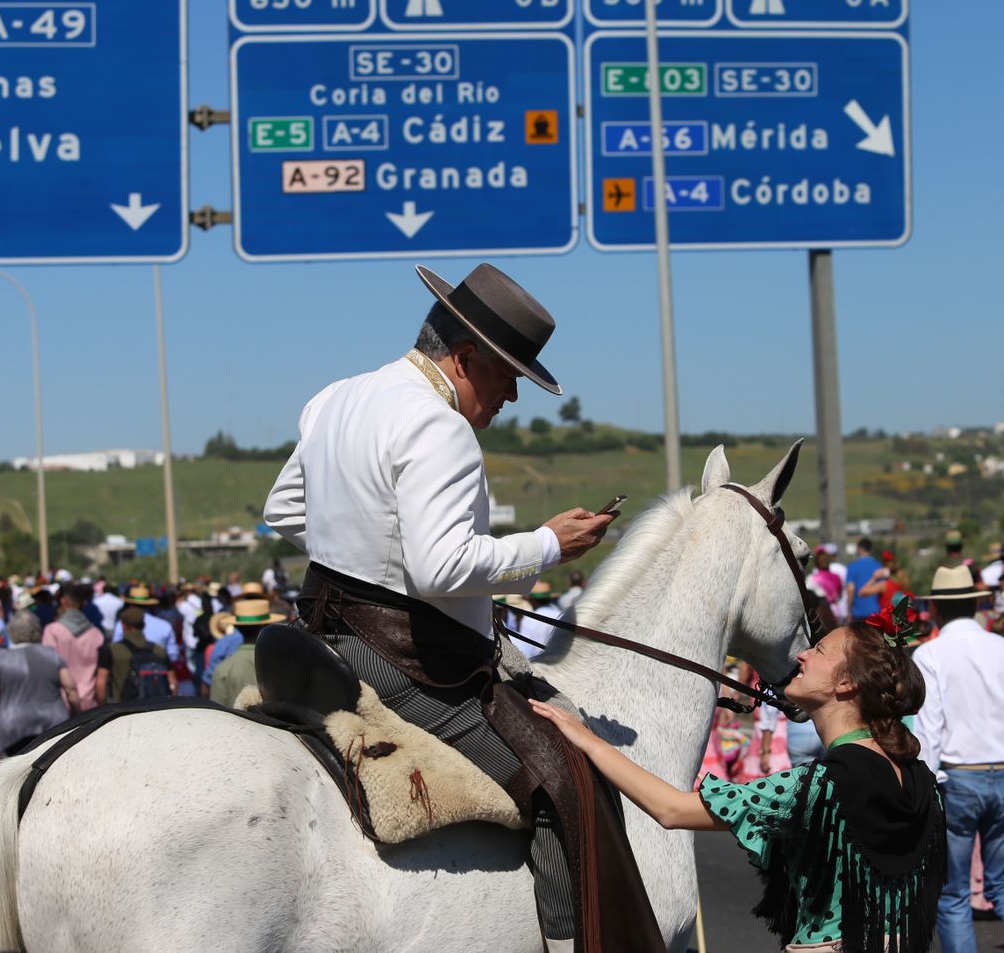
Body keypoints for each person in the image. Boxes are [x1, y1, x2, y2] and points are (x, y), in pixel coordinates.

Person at [262, 262, 616, 948]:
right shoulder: (440, 426)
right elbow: (441, 566)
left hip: (321, 627)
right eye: (510, 373)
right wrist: (547, 544)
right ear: (466, 357)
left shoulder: (336, 396)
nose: (513, 394)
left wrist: (366, 551)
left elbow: (284, 509)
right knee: (562, 777)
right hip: (402, 656)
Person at [532, 604, 946, 953]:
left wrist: (589, 741)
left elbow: (672, 809)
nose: (802, 655)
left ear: (846, 683)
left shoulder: (818, 786)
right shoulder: (922, 778)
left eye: (819, 650)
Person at [912, 564, 1004, 953]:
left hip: (959, 778)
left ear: (936, 610)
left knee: (954, 893)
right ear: (975, 606)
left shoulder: (931, 653)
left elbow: (930, 727)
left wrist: (928, 782)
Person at [0, 612, 77, 757]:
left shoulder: (2, 659)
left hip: (13, 726)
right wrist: (75, 714)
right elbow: (71, 690)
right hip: (53, 723)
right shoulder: (52, 655)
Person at [207, 596, 286, 708]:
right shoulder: (281, 663)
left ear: (237, 626)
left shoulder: (222, 668)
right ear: (266, 625)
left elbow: (216, 715)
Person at [42, 583, 104, 714]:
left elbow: (47, 668)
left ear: (63, 601)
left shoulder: (52, 631)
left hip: (60, 703)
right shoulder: (96, 633)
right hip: (90, 703)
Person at [96, 604, 176, 704]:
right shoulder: (159, 650)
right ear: (143, 626)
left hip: (121, 710)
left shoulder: (111, 650)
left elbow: (100, 684)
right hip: (155, 709)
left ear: (123, 626)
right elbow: (173, 683)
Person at [844, 538, 885, 621]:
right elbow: (882, 588)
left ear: (859, 549)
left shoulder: (852, 567)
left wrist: (848, 610)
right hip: (875, 611)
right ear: (871, 549)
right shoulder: (879, 566)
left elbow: (851, 589)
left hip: (858, 612)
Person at [809, 543, 848, 625]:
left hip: (822, 614)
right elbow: (840, 594)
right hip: (838, 611)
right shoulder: (837, 575)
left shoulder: (813, 578)